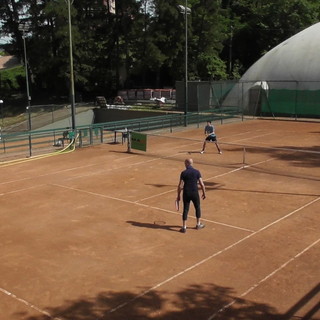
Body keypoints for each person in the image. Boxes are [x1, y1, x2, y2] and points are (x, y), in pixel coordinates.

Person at [176, 158, 206, 233]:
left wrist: (178, 195)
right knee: (197, 207)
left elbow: (180, 186)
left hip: (186, 193)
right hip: (194, 192)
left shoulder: (183, 173)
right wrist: (204, 193)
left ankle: (184, 227)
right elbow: (202, 184)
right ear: (192, 164)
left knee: (185, 209)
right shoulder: (197, 172)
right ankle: (198, 224)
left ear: (187, 164)